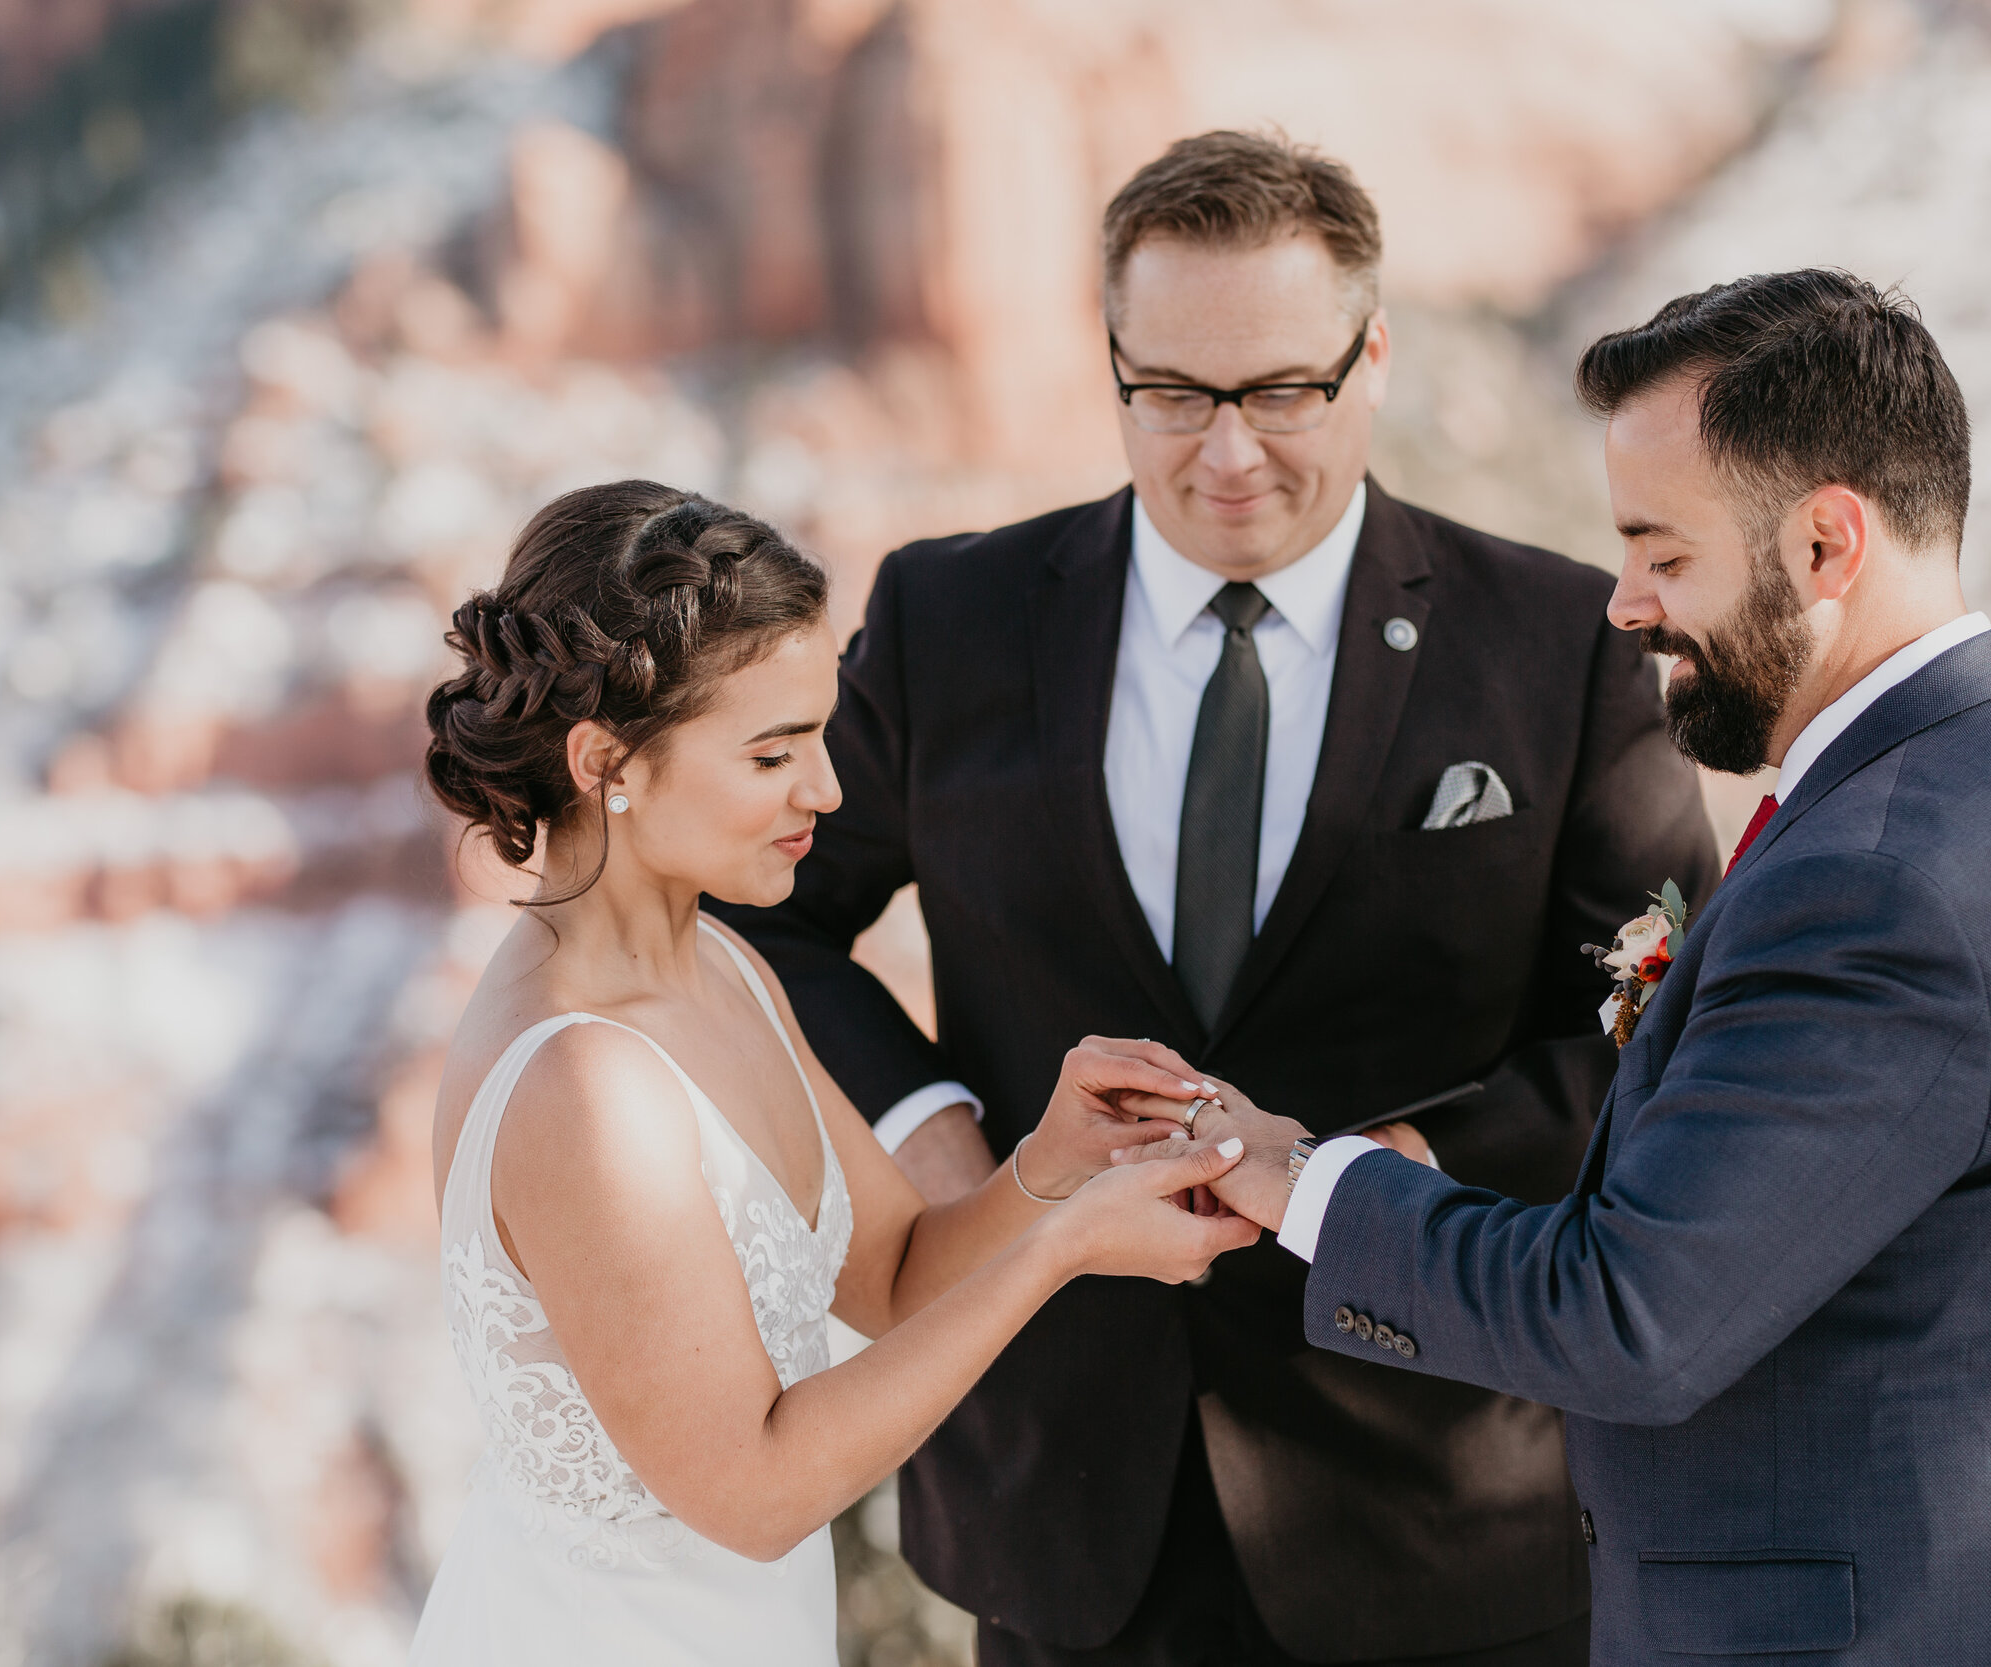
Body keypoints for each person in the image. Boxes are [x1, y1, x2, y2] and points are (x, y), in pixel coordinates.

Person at [707, 132, 1718, 1665]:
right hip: (1062, 1502)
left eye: (1282, 392)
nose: (1227, 452)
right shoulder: (947, 616)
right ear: (1110, 365)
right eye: (1172, 393)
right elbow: (758, 912)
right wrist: (948, 1142)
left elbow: (1658, 1017)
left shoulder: (1559, 642)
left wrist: (1374, 1170)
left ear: (1373, 356)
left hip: (1447, 1510)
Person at [1166, 271, 1991, 1665]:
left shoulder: (1882, 878)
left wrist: (1301, 1176)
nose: (1626, 603)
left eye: (1664, 551)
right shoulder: (1981, 770)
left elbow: (1629, 1315)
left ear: (1829, 542)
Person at [408, 481, 1258, 1664]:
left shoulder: (725, 963)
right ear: (608, 760)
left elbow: (898, 1275)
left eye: (821, 733)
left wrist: (1051, 1167)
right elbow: (753, 1492)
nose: (828, 790)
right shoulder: (582, 1086)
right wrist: (1065, 1249)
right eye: (772, 752)